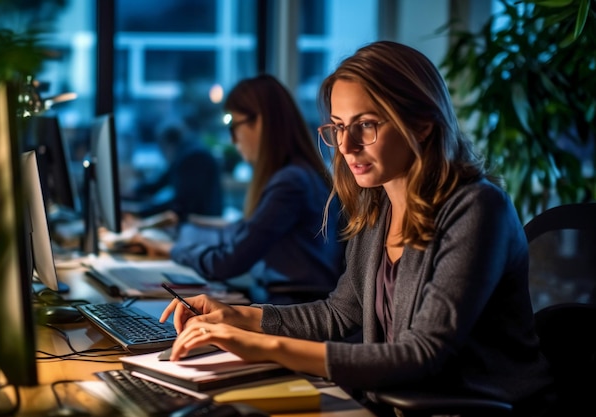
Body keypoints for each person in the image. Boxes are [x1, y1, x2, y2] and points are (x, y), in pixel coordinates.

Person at [158, 41, 556, 416]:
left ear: (421, 124)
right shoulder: (379, 206)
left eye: (366, 125)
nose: (346, 146)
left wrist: (264, 346)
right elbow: (338, 313)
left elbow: (422, 353)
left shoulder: (477, 208)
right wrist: (240, 317)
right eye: (337, 127)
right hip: (394, 404)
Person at [131, 74, 346, 304]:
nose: (233, 139)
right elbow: (244, 233)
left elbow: (228, 262)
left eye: (234, 125)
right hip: (288, 302)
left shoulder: (290, 183)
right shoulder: (298, 175)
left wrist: (171, 249)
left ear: (260, 122)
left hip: (291, 308)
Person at [127, 123, 223, 221]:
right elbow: (159, 183)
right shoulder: (183, 155)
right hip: (195, 219)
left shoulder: (192, 158)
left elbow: (181, 203)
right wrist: (135, 191)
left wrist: (142, 211)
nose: (163, 156)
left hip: (202, 222)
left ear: (167, 144)